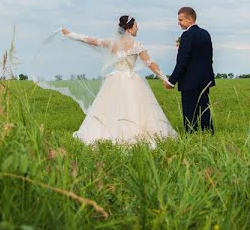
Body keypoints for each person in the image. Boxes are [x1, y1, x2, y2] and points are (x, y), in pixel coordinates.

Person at [59, 15, 178, 144]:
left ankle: (109, 133)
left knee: (111, 107)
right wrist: (165, 79)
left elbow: (90, 40)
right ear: (129, 29)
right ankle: (136, 135)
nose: (138, 29)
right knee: (134, 107)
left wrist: (71, 34)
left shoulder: (112, 43)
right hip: (132, 80)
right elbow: (151, 64)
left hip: (114, 79)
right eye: (136, 26)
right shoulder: (137, 45)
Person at [164, 6, 215, 133]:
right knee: (204, 108)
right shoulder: (205, 33)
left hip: (189, 80)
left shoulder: (186, 35)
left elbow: (182, 61)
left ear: (190, 20)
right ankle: (207, 132)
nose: (178, 22)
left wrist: (171, 81)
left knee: (189, 110)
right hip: (204, 79)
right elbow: (209, 58)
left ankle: (191, 133)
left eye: (181, 20)